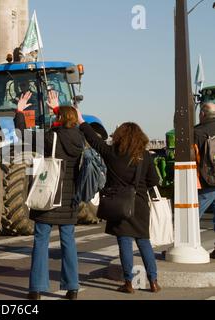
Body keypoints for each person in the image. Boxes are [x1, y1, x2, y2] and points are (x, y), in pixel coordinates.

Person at [76, 108, 161, 294]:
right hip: (139, 204)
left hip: (119, 204)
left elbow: (94, 140)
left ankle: (129, 283)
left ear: (120, 136)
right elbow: (154, 181)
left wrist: (81, 121)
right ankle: (153, 281)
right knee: (144, 242)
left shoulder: (112, 153)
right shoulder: (145, 156)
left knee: (125, 243)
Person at [17, 93, 85, 300]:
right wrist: (58, 109)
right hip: (69, 198)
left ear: (58, 119)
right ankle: (72, 288)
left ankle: (36, 289)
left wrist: (20, 112)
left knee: (41, 240)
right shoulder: (79, 139)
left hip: (48, 194)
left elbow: (24, 136)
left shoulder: (50, 137)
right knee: (68, 242)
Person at [195, 102, 215, 258]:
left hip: (206, 181)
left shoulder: (197, 132)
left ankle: (192, 247)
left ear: (202, 114)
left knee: (193, 215)